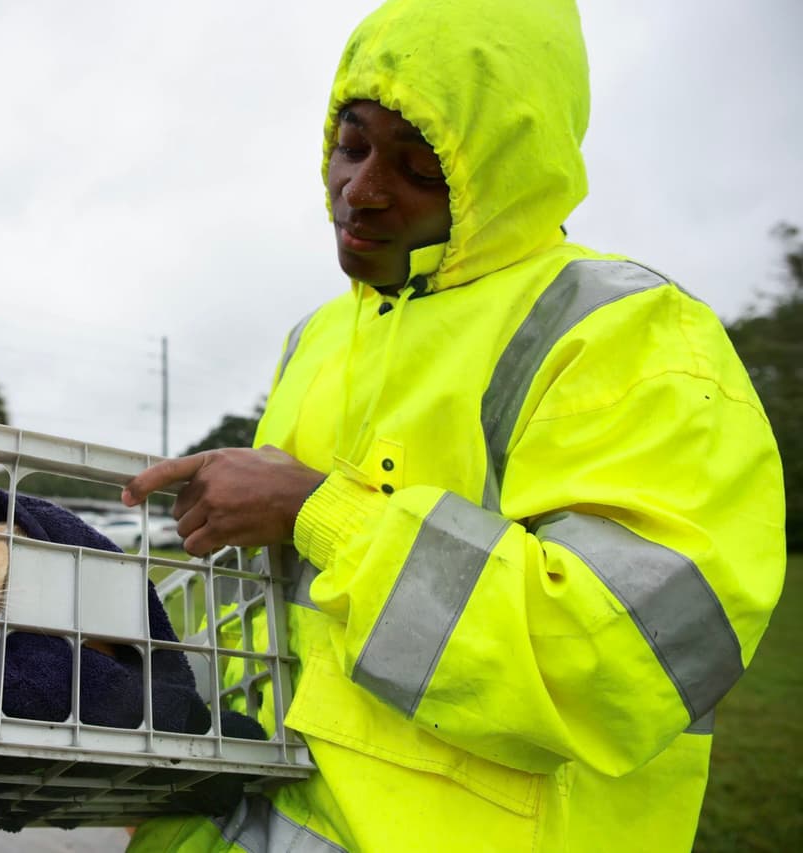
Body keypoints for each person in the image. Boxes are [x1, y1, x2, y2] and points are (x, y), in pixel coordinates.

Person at [121, 0, 786, 850]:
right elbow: (279, 622)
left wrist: (319, 511)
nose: (359, 192)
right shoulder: (316, 337)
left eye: (420, 166)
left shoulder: (623, 331)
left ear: (505, 170)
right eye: (351, 144)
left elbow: (608, 665)